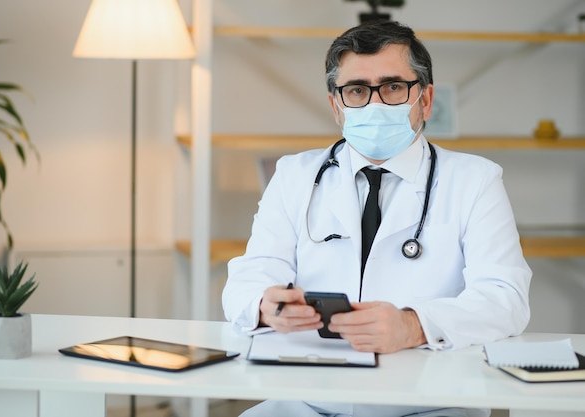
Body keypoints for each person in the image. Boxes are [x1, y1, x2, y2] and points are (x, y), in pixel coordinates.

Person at [222, 20, 531, 417]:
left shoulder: (475, 180)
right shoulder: (294, 175)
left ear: (425, 99)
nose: (375, 104)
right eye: (356, 91)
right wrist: (265, 304)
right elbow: (248, 277)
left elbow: (506, 298)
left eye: (393, 87)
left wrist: (413, 326)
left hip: (429, 404)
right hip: (309, 398)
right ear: (337, 106)